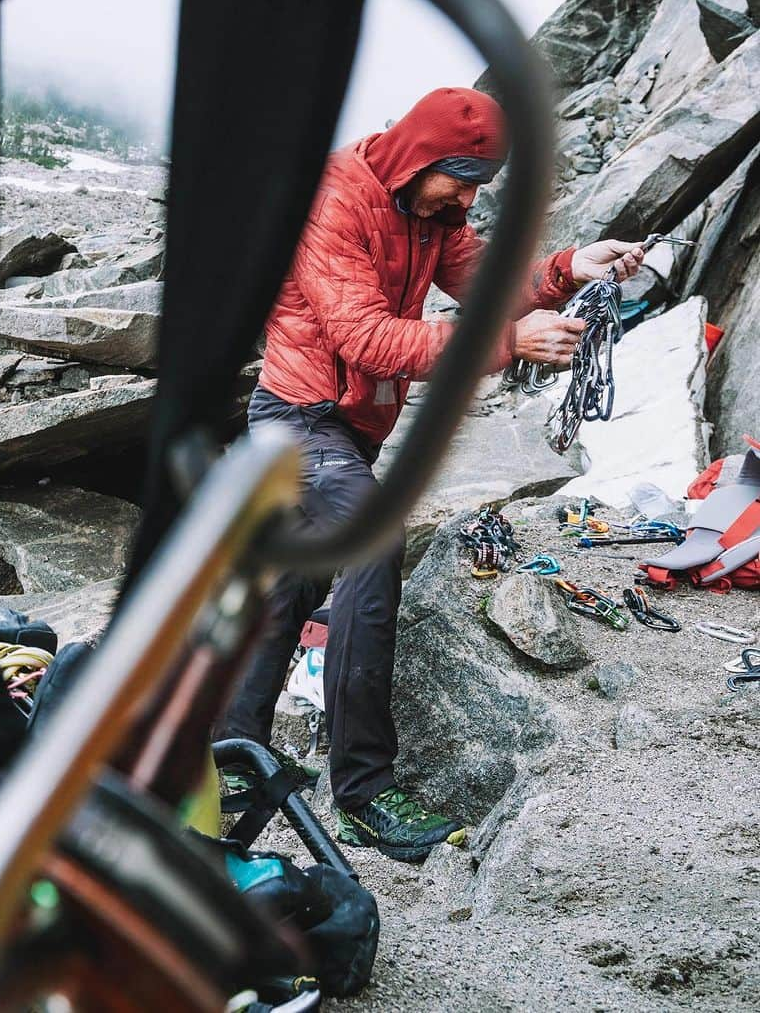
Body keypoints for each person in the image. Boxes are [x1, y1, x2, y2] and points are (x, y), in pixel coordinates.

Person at [216, 87, 643, 862]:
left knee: (294, 585)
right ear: (416, 156)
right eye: (460, 176)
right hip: (297, 421)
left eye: (480, 181)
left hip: (350, 430)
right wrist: (508, 344)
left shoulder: (432, 212)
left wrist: (568, 267)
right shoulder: (333, 200)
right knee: (369, 547)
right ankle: (366, 793)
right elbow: (367, 337)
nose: (470, 196)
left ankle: (232, 755)